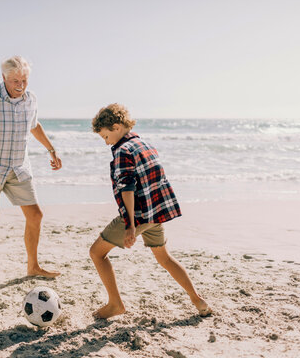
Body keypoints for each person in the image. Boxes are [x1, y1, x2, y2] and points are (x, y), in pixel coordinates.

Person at [89, 103, 211, 319]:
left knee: (97, 253)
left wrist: (130, 226)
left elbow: (127, 188)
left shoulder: (123, 151)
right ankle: (197, 299)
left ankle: (115, 304)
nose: (106, 142)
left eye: (105, 137)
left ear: (116, 127)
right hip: (156, 213)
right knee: (164, 257)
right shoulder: (144, 144)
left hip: (138, 216)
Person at [0, 56, 61, 278]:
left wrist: (51, 149)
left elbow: (34, 125)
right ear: (3, 78)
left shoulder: (31, 99)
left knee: (35, 215)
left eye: (24, 80)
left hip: (18, 167)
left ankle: (33, 267)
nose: (20, 85)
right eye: (15, 80)